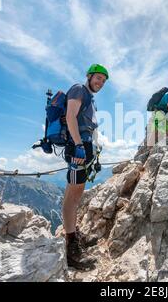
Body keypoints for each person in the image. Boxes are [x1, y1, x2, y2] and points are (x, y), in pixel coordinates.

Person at [63, 63, 109, 270]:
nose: (100, 82)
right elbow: (70, 116)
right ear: (89, 76)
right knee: (73, 195)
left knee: (77, 192)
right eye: (98, 77)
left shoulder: (90, 98)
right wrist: (79, 146)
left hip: (85, 149)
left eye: (104, 80)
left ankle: (73, 234)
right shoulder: (78, 89)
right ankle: (71, 246)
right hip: (78, 150)